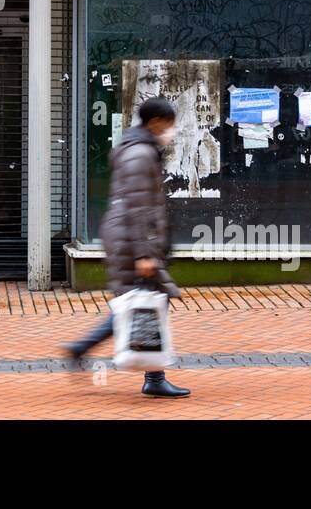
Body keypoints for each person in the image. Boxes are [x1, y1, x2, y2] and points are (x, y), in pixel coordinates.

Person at [63, 97, 190, 398]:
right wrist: (144, 253)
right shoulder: (141, 153)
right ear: (156, 121)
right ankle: (153, 377)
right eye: (169, 123)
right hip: (133, 241)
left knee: (139, 302)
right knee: (143, 301)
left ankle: (87, 351)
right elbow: (136, 206)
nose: (171, 130)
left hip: (129, 238)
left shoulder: (137, 149)